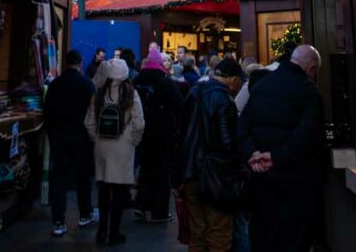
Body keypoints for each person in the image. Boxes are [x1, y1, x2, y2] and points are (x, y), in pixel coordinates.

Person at [238, 44, 327, 252]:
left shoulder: (260, 85)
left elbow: (242, 126)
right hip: (296, 183)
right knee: (293, 240)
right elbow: (307, 135)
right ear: (312, 69)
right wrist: (275, 157)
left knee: (263, 237)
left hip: (261, 182)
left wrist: (253, 154)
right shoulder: (309, 91)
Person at [176, 58, 244, 252]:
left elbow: (180, 134)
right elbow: (227, 142)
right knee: (219, 234)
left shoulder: (194, 92)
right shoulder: (223, 99)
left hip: (191, 173)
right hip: (216, 177)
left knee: (197, 234)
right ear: (232, 80)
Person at [85, 57, 145, 246]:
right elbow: (139, 123)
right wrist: (134, 140)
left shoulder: (99, 93)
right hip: (124, 145)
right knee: (119, 190)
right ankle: (114, 233)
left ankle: (101, 231)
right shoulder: (131, 93)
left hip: (102, 145)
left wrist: (96, 138)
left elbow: (88, 121)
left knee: (103, 188)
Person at [43, 49, 96, 238]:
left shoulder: (55, 85)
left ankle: (58, 221)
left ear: (65, 63)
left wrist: (51, 133)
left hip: (59, 136)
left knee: (59, 179)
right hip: (81, 137)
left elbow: (47, 112)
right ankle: (85, 213)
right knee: (84, 176)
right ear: (80, 63)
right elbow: (92, 111)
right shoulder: (87, 84)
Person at [134, 46, 183, 222]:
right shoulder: (165, 81)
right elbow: (179, 105)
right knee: (161, 172)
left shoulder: (137, 80)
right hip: (163, 133)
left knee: (145, 170)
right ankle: (159, 211)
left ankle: (141, 205)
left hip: (142, 132)